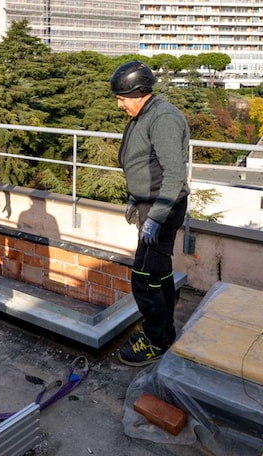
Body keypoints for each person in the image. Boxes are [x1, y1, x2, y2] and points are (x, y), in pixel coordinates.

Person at [111, 60, 190, 367]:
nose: (119, 104)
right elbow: (146, 163)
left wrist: (156, 216)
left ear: (140, 93)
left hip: (164, 207)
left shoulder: (163, 119)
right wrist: (136, 199)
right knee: (160, 273)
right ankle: (165, 331)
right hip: (151, 204)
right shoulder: (145, 114)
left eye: (122, 98)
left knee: (144, 278)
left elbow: (173, 175)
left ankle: (156, 341)